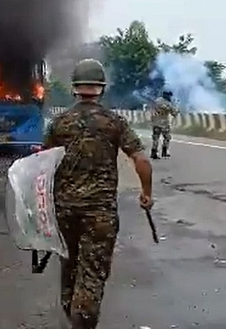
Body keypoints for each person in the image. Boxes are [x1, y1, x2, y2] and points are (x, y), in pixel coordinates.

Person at [43, 58, 153, 329]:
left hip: (64, 211)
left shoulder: (59, 123)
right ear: (101, 88)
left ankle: (72, 314)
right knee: (92, 273)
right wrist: (146, 194)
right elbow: (141, 160)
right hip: (100, 214)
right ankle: (84, 321)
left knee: (69, 266)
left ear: (74, 88)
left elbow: (42, 165)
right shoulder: (114, 123)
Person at [150, 90, 179, 159]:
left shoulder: (157, 101)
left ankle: (153, 152)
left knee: (155, 138)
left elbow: (152, 109)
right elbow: (174, 113)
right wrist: (176, 109)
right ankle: (164, 152)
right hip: (164, 124)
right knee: (167, 137)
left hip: (155, 122)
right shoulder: (168, 103)